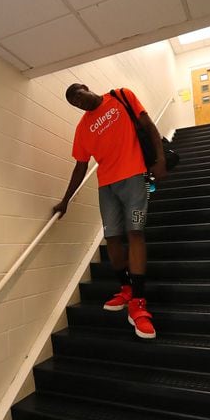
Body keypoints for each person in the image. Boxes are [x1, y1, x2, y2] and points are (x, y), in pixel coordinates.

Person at [53, 84, 167, 339]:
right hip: (106, 187)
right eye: (74, 103)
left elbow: (148, 126)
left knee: (135, 232)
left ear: (86, 88)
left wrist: (159, 159)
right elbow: (80, 167)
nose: (79, 103)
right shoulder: (82, 129)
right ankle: (126, 288)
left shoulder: (121, 96)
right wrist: (65, 200)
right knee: (113, 238)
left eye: (79, 96)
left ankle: (138, 302)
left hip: (136, 178)